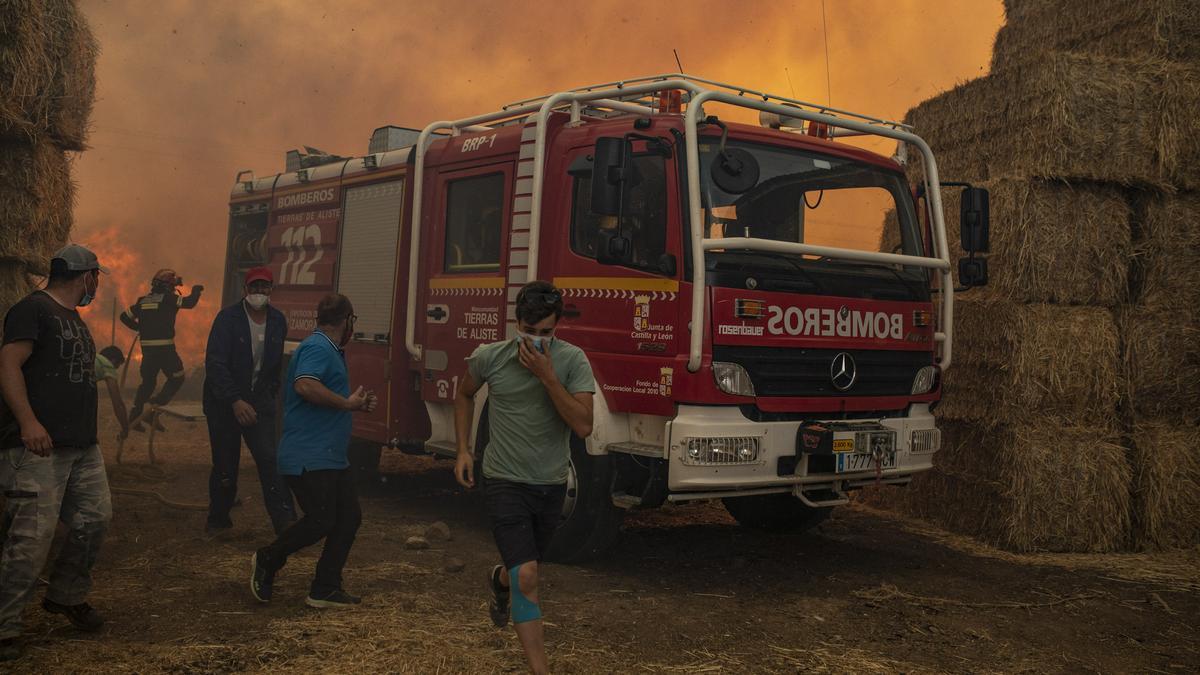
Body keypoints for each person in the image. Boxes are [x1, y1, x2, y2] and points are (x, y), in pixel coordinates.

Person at [453, 280, 595, 675]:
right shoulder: (490, 357)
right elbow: (464, 394)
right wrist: (464, 449)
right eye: (529, 332)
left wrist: (549, 377)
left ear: (557, 327)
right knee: (529, 576)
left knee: (521, 572)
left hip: (550, 484)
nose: (535, 341)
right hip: (503, 480)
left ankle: (499, 582)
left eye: (545, 333)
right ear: (516, 323)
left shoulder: (573, 361)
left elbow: (583, 426)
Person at [0, 244, 112, 661]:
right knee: (31, 539)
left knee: (95, 519)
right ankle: (5, 626)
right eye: (96, 278)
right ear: (87, 276)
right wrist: (28, 422)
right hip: (39, 447)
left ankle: (65, 595)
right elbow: (8, 364)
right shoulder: (32, 310)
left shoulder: (74, 319)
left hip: (82, 446)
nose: (95, 286)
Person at [250, 293, 376, 608]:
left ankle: (325, 588)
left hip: (331, 455)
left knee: (348, 518)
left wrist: (354, 404)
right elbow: (305, 385)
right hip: (309, 455)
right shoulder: (318, 346)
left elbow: (319, 391)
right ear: (347, 319)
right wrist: (347, 403)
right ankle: (269, 558)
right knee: (322, 519)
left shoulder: (329, 349)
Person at [203, 267, 294, 535]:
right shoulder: (227, 319)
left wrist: (266, 397)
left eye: (265, 287)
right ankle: (218, 519)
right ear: (245, 291)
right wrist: (235, 401)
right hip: (223, 404)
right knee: (225, 463)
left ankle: (285, 521)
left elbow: (274, 365)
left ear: (271, 290)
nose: (259, 293)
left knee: (270, 459)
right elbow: (216, 364)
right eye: (254, 288)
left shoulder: (277, 320)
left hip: (258, 403)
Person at [120, 268, 203, 430]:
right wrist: (196, 291)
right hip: (165, 349)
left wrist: (139, 327)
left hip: (148, 351)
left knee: (148, 382)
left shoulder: (143, 300)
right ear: (168, 286)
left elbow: (124, 317)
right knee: (177, 377)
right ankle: (154, 407)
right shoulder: (169, 298)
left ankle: (135, 415)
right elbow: (189, 303)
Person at [95, 345, 131, 441]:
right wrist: (125, 428)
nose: (115, 370)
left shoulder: (93, 357)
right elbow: (118, 403)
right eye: (117, 366)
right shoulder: (107, 365)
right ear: (114, 360)